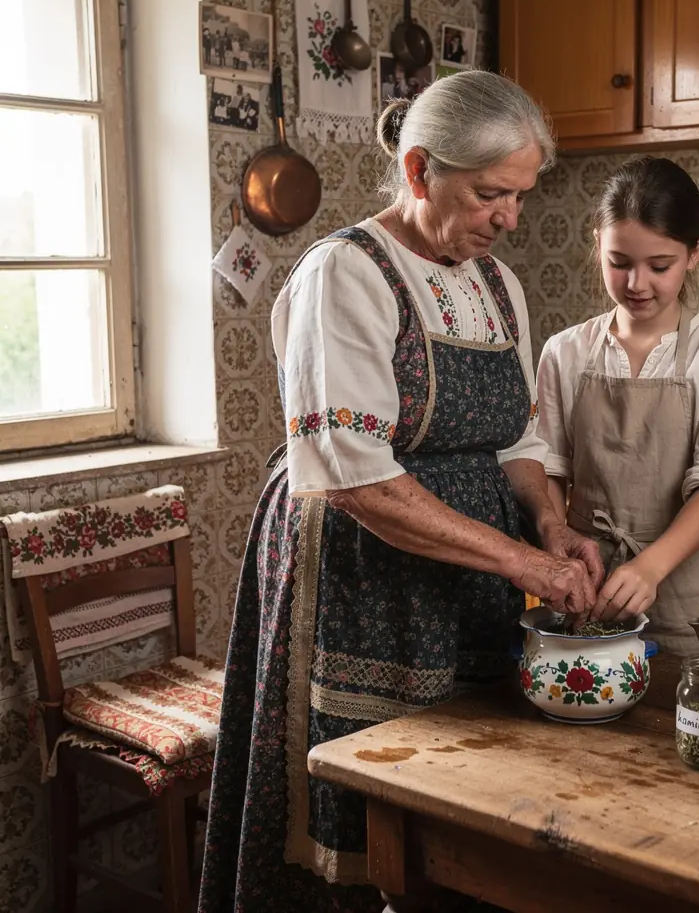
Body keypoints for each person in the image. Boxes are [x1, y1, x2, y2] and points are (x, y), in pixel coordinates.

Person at [199, 70, 603, 913]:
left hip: (473, 576)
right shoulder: (345, 273)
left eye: (521, 196)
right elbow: (356, 476)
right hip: (364, 577)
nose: (509, 217)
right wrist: (520, 561)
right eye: (490, 194)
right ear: (419, 171)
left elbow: (516, 438)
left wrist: (549, 522)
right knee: (366, 805)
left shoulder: (497, 284)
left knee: (468, 806)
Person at [536, 156, 699, 657]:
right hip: (584, 590)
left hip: (686, 599)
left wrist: (649, 568)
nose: (637, 284)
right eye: (619, 262)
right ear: (597, 244)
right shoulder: (565, 352)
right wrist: (557, 554)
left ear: (695, 253)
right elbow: (549, 469)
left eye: (659, 266)